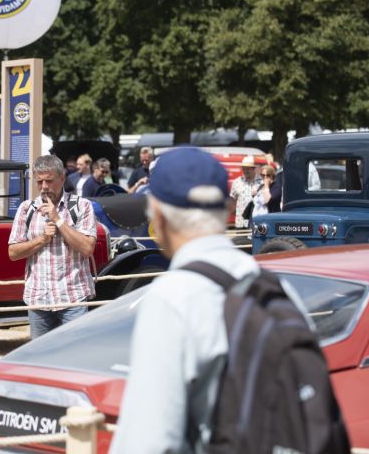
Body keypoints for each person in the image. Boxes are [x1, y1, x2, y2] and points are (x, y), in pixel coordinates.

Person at [110, 147, 259, 454]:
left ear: (158, 215)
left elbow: (148, 441)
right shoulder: (269, 283)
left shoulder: (172, 298)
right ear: (226, 208)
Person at [8, 155, 97, 339]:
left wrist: (58, 219)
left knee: (74, 355)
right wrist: (41, 239)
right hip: (38, 298)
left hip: (73, 298)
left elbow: (88, 248)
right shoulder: (26, 209)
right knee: (40, 361)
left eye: (49, 181)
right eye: (39, 182)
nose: (44, 187)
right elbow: (13, 253)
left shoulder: (82, 206)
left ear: (62, 178)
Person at [229, 155, 259, 228]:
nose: (246, 171)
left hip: (256, 222)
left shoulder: (261, 182)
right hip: (240, 223)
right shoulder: (237, 182)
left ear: (253, 169)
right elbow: (232, 201)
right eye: (244, 168)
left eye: (248, 169)